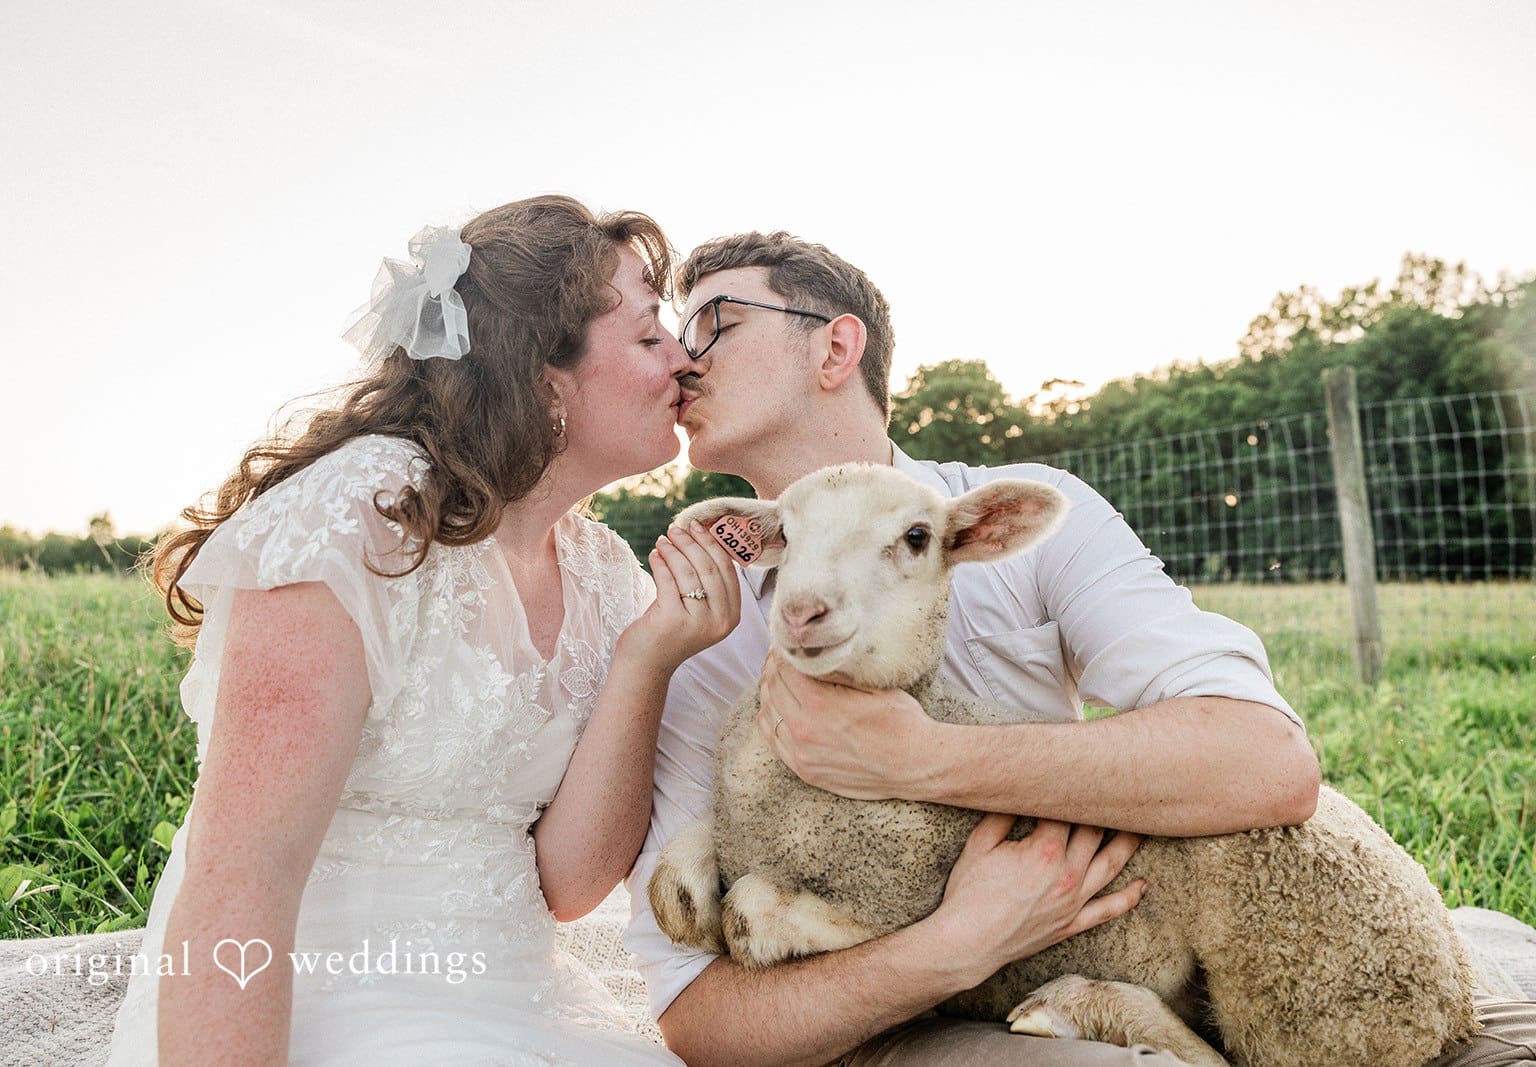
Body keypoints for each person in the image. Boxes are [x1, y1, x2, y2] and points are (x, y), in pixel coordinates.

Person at [623, 231, 1536, 1066]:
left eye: (712, 322)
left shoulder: (1029, 514)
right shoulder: (703, 627)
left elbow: (1266, 760)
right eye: (667, 332)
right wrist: (956, 945)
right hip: (906, 1014)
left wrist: (926, 759)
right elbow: (698, 1015)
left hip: (1136, 939)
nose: (679, 360)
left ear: (835, 347)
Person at [105, 195, 741, 1065]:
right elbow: (239, 876)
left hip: (516, 1001)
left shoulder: (603, 574)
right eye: (647, 336)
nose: (684, 360)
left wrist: (646, 660)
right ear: (543, 377)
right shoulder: (358, 518)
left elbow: (568, 884)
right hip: (323, 997)